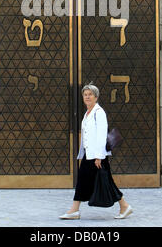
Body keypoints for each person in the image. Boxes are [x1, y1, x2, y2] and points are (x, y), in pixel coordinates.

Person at [59, 82, 133, 220]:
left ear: (96, 97)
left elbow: (101, 136)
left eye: (90, 95)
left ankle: (124, 206)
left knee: (105, 181)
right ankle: (75, 210)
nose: (87, 97)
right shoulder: (88, 113)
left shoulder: (99, 113)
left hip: (97, 156)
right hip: (90, 154)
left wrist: (99, 157)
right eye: (85, 95)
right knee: (85, 180)